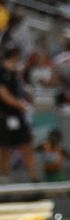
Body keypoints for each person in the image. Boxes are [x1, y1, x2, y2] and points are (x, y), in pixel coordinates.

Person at [0, 49, 38, 181]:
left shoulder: (15, 73)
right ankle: (5, 176)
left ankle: (34, 177)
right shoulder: (2, 71)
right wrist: (19, 104)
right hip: (6, 115)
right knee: (4, 146)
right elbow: (3, 93)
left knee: (26, 144)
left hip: (18, 115)